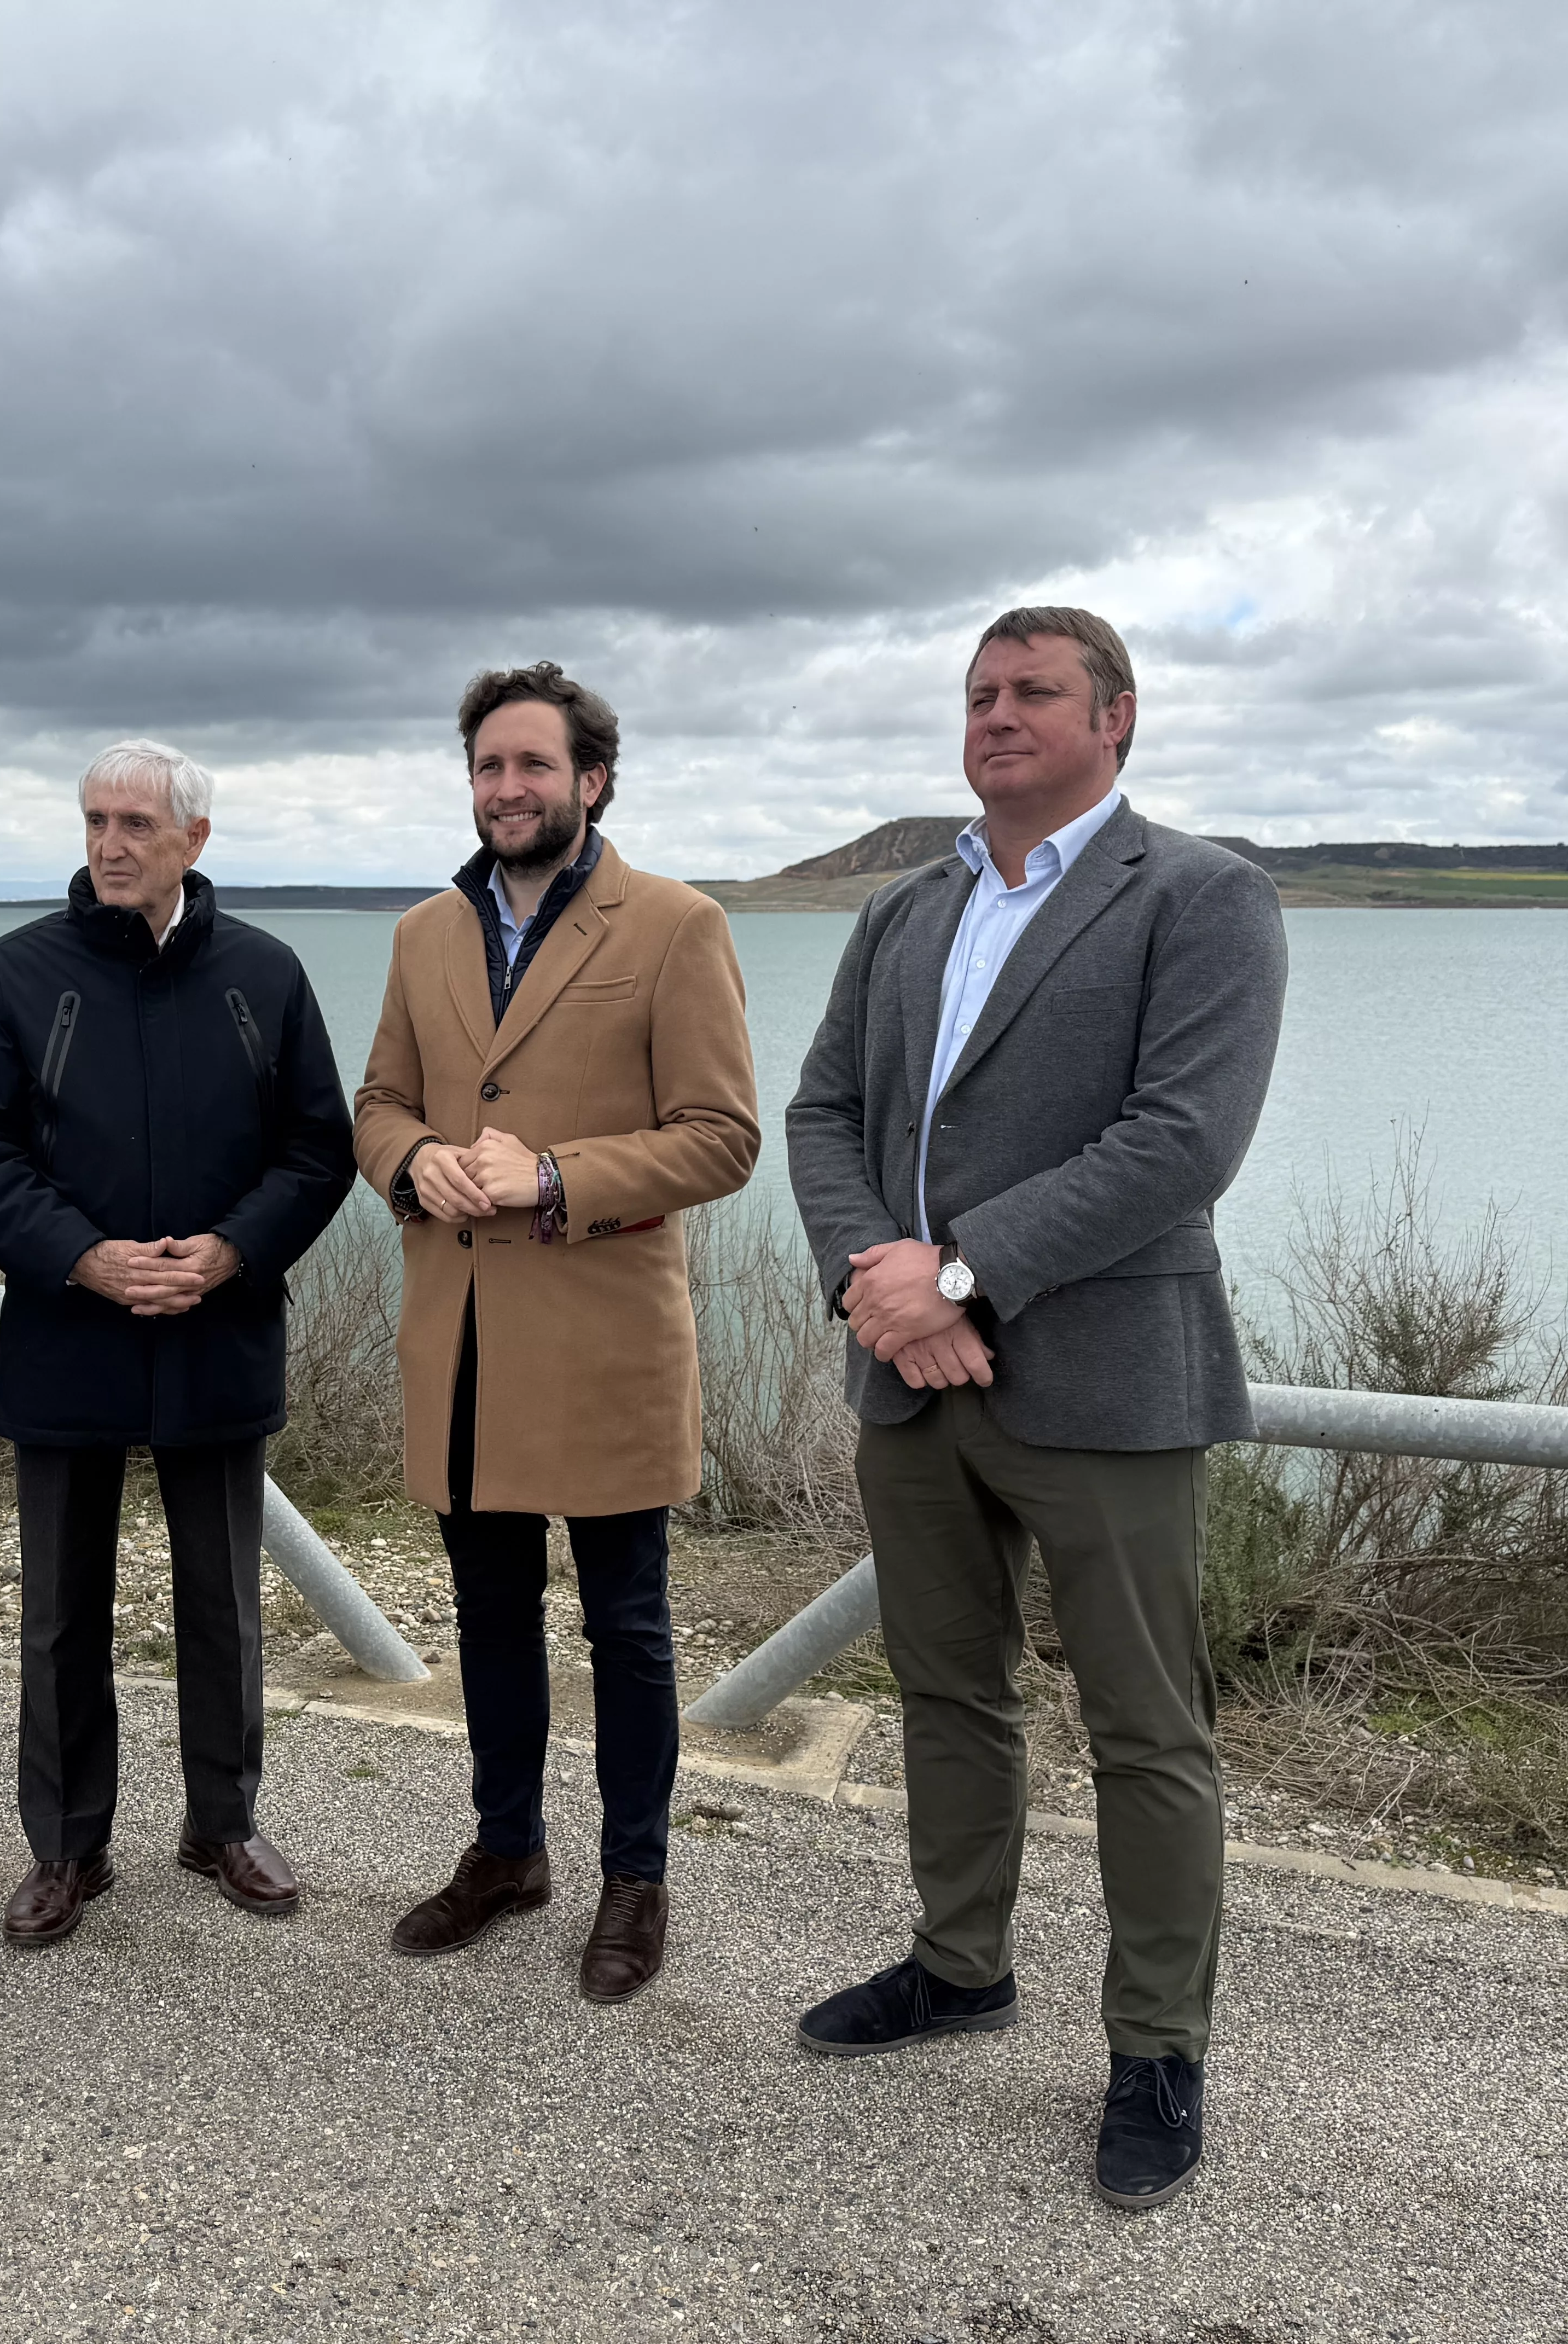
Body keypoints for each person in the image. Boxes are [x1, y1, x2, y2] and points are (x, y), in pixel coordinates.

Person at [784, 607, 1287, 2208]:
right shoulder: (906, 909)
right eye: (980, 693)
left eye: (1035, 693)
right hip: (911, 1374)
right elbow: (823, 1112)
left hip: (1106, 1378)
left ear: (1116, 718)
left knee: (1146, 1730)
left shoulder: (1204, 897)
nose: (997, 716)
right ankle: (958, 1962)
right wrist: (883, 1282)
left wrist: (966, 1275)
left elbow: (1181, 1141)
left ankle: (1155, 2048)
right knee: (948, 1693)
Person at [354, 662, 759, 2004]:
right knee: (487, 1612)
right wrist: (421, 1163)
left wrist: (553, 1177)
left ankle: (635, 1879)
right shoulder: (422, 934)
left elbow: (721, 1139)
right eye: (487, 767)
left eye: (533, 766)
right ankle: (507, 1851)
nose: (507, 789)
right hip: (461, 1334)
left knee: (628, 1627)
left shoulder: (677, 926)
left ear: (592, 780)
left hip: (603, 1341)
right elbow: (378, 1104)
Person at [0, 740, 355, 1946]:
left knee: (223, 1598)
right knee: (62, 1608)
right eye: (95, 821)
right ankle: (68, 1847)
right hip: (72, 1329)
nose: (110, 845)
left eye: (136, 825)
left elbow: (318, 1149)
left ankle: (222, 1822)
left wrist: (229, 1252)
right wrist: (82, 1255)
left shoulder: (264, 975)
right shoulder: (16, 973)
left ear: (194, 842)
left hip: (219, 1330)